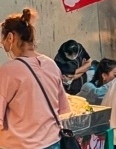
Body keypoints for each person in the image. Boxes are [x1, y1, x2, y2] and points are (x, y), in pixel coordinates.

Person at [0, 9, 70, 149]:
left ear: (10, 37)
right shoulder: (51, 64)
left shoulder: (8, 71)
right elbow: (63, 108)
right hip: (53, 142)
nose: (3, 45)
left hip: (20, 145)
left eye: (2, 41)